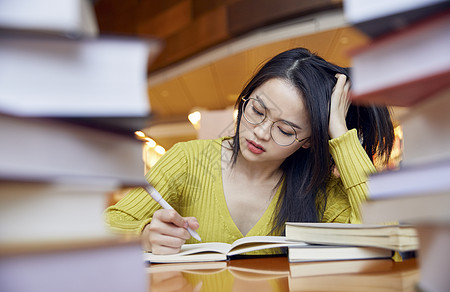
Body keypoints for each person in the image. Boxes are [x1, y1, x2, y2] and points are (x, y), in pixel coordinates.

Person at [105, 47, 394, 255]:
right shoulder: (187, 160)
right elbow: (108, 225)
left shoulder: (318, 190)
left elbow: (389, 239)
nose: (260, 132)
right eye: (257, 110)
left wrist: (339, 132)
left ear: (308, 141)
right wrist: (143, 235)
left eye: (285, 130)